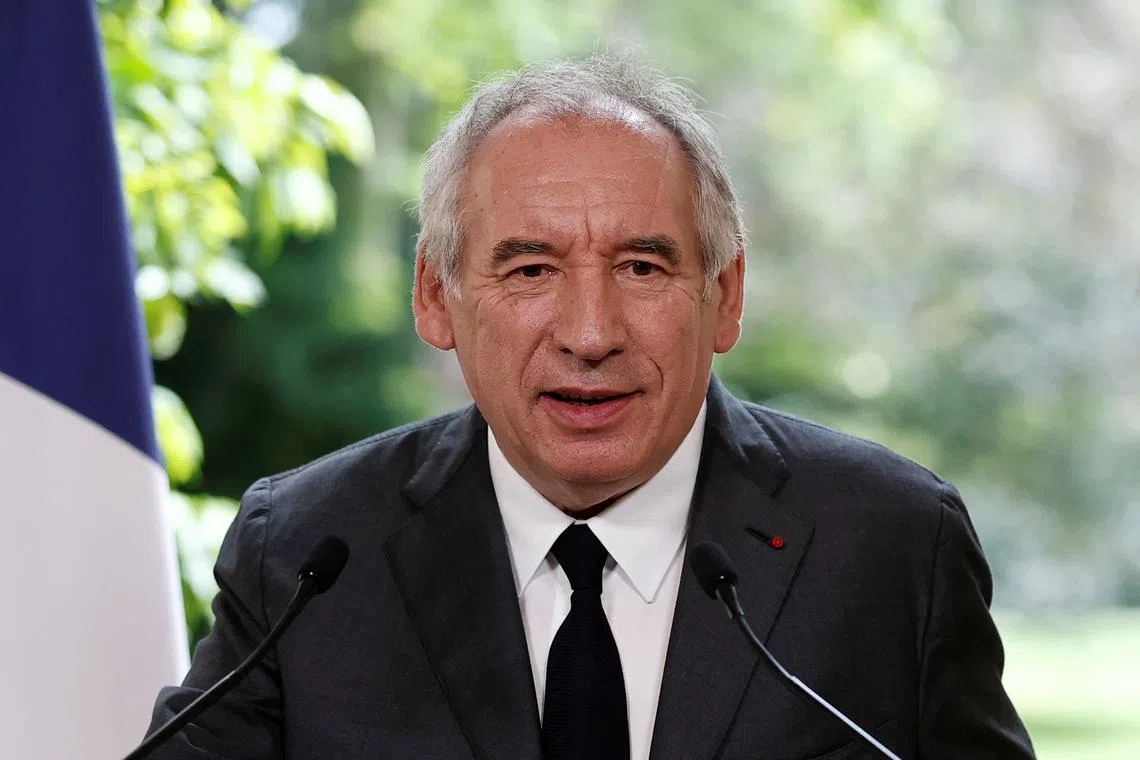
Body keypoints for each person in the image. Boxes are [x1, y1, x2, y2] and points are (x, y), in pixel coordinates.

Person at [145, 55, 1035, 759]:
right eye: (531, 269)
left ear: (724, 297)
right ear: (434, 295)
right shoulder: (306, 554)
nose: (590, 331)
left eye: (643, 268)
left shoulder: (890, 544)